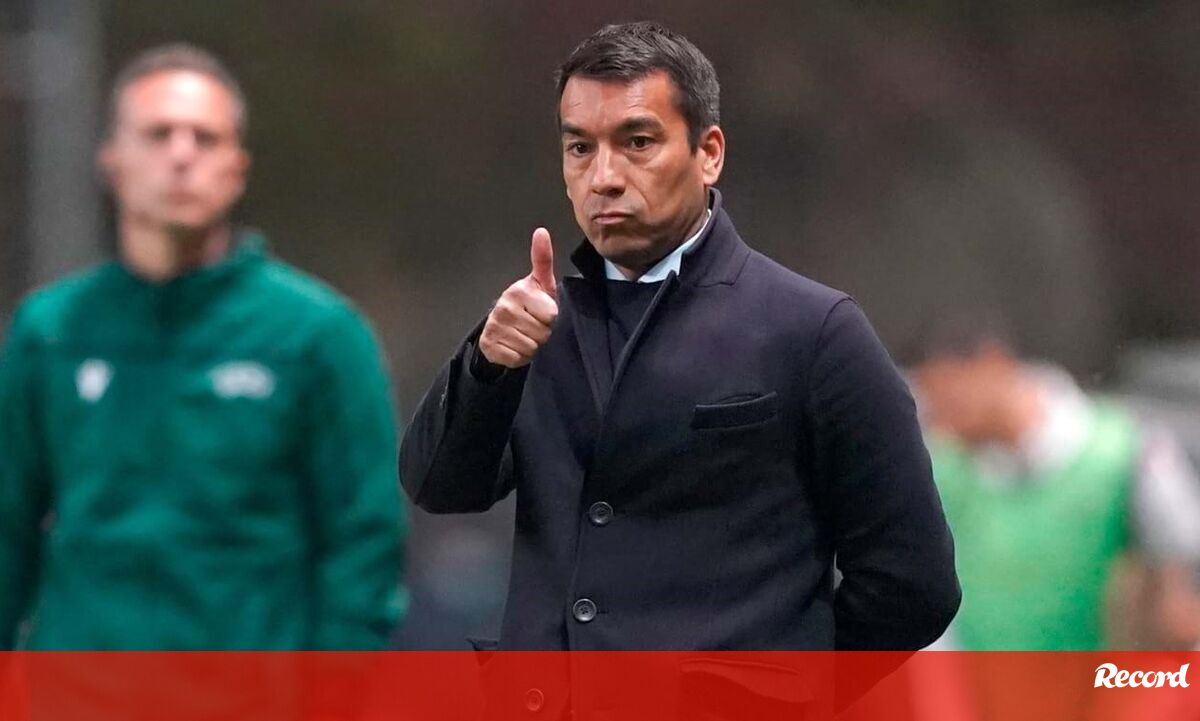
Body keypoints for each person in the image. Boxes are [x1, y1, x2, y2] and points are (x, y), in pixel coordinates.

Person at [400, 22, 959, 656]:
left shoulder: (814, 330)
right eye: (579, 148)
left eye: (637, 142)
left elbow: (914, 585)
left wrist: (780, 689)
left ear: (708, 152)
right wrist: (487, 367)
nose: (603, 177)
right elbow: (437, 489)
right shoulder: (535, 323)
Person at [0, 43, 406, 650]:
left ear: (238, 167)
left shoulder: (318, 336)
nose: (182, 154)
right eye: (158, 134)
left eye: (206, 138)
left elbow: (364, 547)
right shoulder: (50, 331)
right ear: (112, 160)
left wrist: (332, 690)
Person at [909, 315, 1200, 652]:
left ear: (993, 364)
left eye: (948, 400)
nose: (942, 422)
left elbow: (1176, 602)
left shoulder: (1129, 451)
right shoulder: (941, 469)